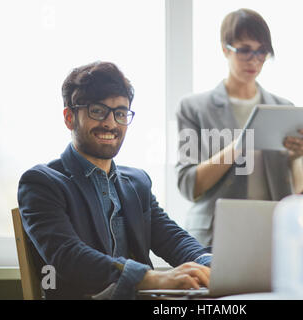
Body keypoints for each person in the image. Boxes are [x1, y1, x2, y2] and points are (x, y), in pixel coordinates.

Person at [18, 61, 211, 300]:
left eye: (120, 113)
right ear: (69, 118)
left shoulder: (138, 183)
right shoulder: (41, 183)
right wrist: (152, 278)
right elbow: (69, 257)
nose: (110, 123)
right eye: (97, 111)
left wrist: (211, 265)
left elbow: (172, 238)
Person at [176, 8, 303, 246]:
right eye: (245, 50)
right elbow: (188, 184)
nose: (254, 60)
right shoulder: (193, 108)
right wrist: (237, 148)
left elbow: (297, 192)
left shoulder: (283, 108)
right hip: (215, 238)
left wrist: (296, 159)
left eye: (261, 52)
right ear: (225, 49)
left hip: (273, 237)